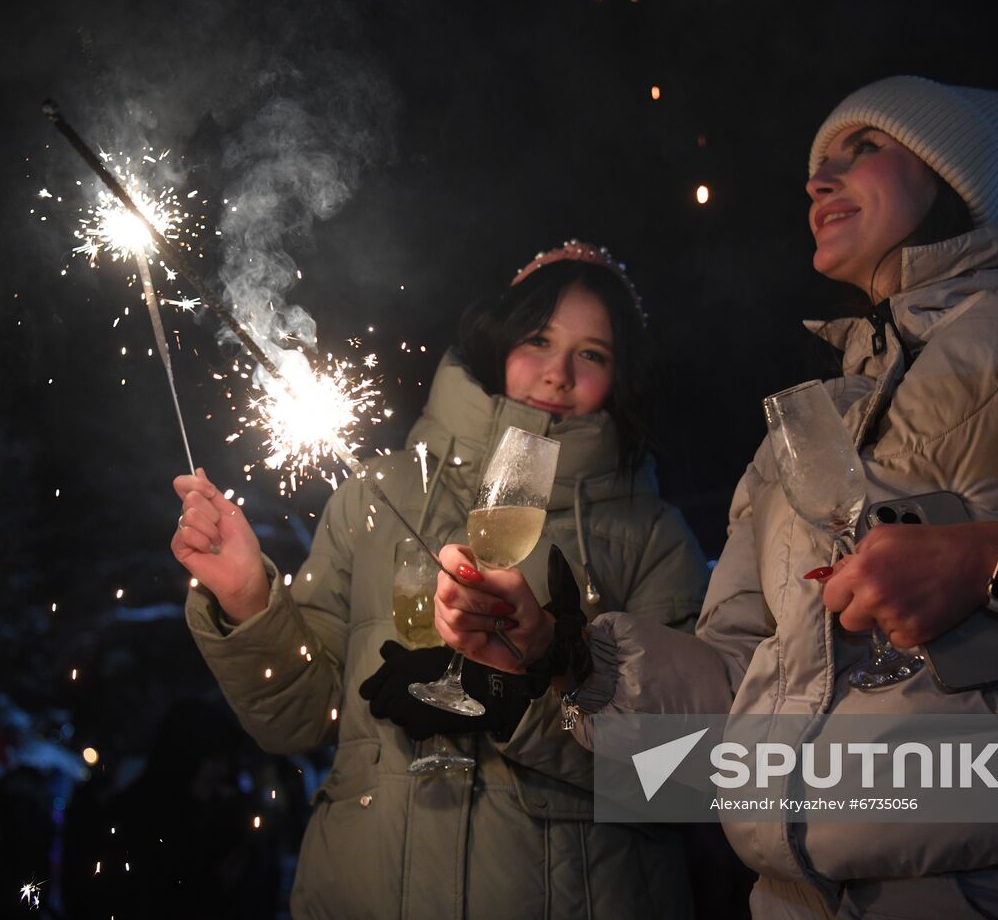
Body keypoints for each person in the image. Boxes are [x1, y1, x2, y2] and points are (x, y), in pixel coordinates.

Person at [436, 76, 998, 917]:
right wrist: (563, 663)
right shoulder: (810, 427)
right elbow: (729, 722)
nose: (820, 180)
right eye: (817, 164)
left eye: (863, 150)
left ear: (953, 173)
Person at [170, 241, 710, 919]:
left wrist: (525, 704)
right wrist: (249, 600)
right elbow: (298, 719)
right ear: (497, 340)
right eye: (538, 338)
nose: (558, 373)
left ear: (621, 374)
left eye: (592, 354)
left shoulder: (653, 536)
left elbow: (689, 774)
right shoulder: (377, 492)